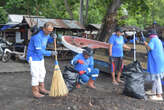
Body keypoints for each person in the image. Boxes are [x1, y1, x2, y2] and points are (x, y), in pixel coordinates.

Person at [26, 22, 57, 98]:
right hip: (33, 57)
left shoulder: (46, 34)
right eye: (48, 31)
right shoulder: (37, 37)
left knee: (42, 73)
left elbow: (48, 40)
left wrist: (53, 37)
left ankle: (41, 88)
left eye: (51, 31)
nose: (50, 32)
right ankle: (35, 92)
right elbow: (39, 51)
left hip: (40, 57)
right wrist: (51, 53)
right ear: (44, 29)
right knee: (35, 75)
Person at [144, 29, 164, 101]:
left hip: (156, 62)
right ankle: (153, 91)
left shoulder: (153, 40)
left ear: (150, 35)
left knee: (157, 78)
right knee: (156, 77)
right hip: (159, 61)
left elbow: (150, 48)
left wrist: (146, 44)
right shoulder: (158, 40)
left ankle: (159, 95)